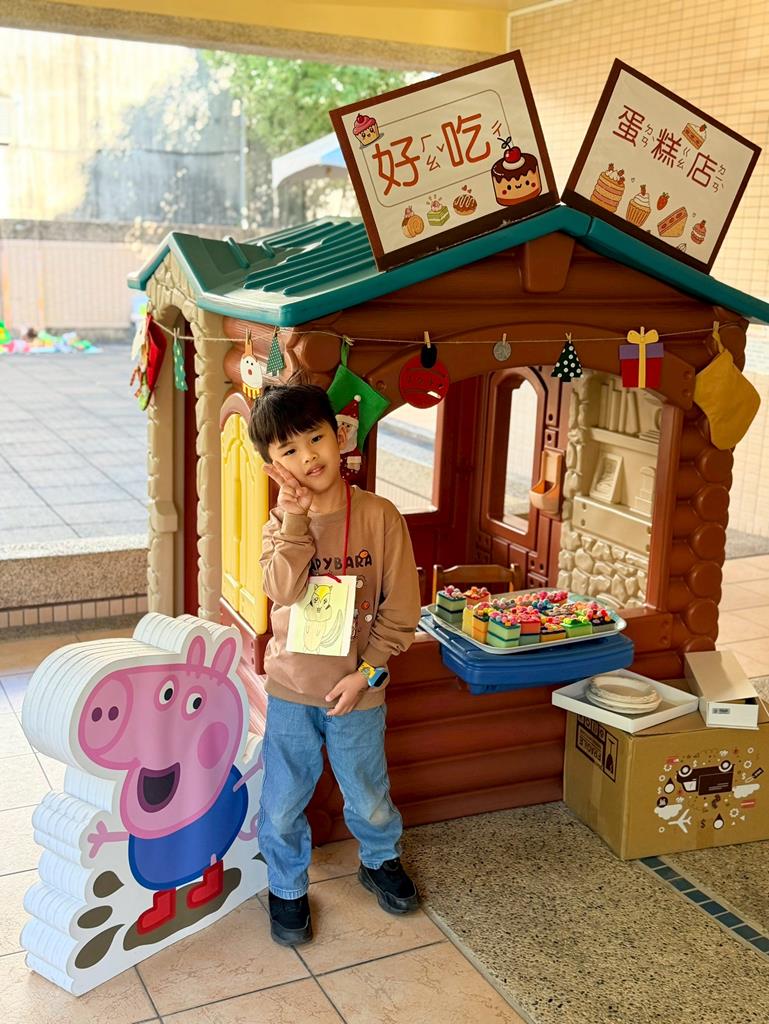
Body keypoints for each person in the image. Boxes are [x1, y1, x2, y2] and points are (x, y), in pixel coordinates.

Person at [248, 380, 423, 947]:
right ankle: (286, 886)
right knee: (282, 802)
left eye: (315, 438)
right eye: (289, 450)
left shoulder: (380, 516)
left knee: (368, 793)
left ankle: (379, 859)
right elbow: (282, 590)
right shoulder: (278, 527)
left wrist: (366, 673)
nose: (308, 457)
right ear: (273, 464)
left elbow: (402, 609)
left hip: (359, 689)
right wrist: (294, 521)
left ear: (339, 435)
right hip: (292, 691)